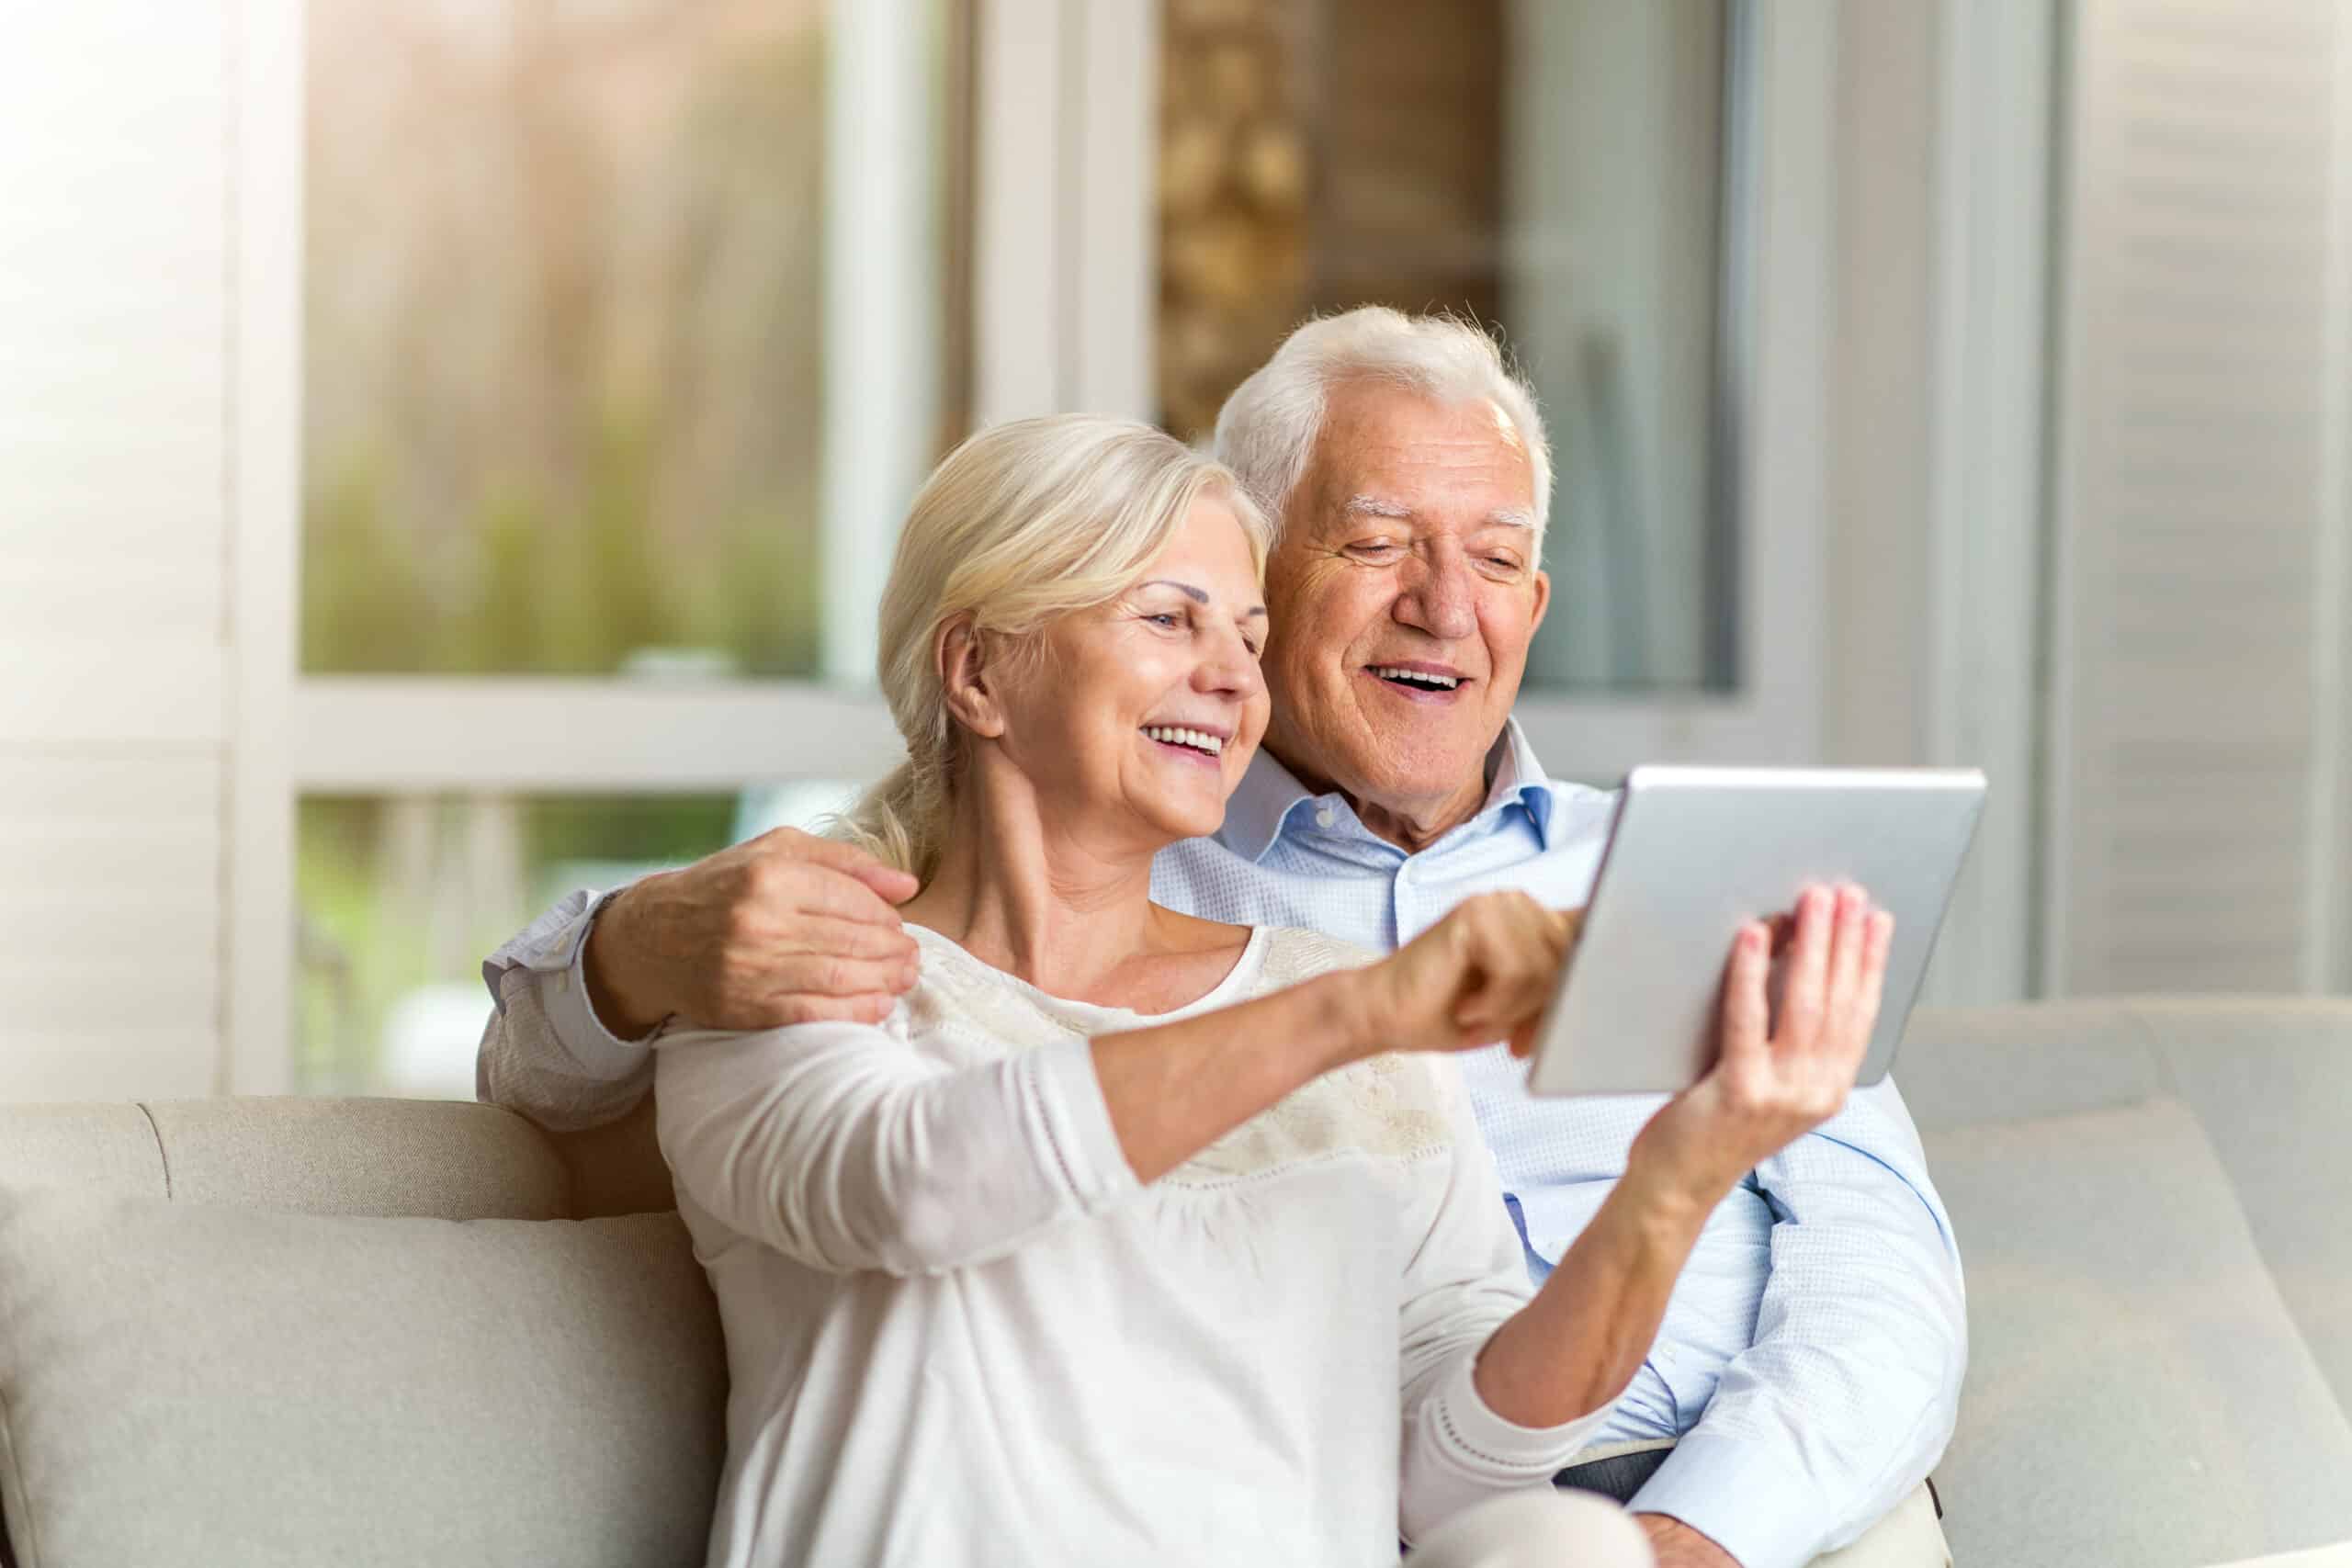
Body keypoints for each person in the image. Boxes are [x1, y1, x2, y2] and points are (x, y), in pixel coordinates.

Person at [480, 311, 1962, 1568]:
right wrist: (629, 941)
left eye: (1237, 635)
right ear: (980, 667)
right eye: (1178, 616)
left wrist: (1679, 1177)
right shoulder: (812, 961)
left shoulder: (1449, 964)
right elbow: (908, 1182)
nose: (1445, 607)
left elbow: (1458, 1452)